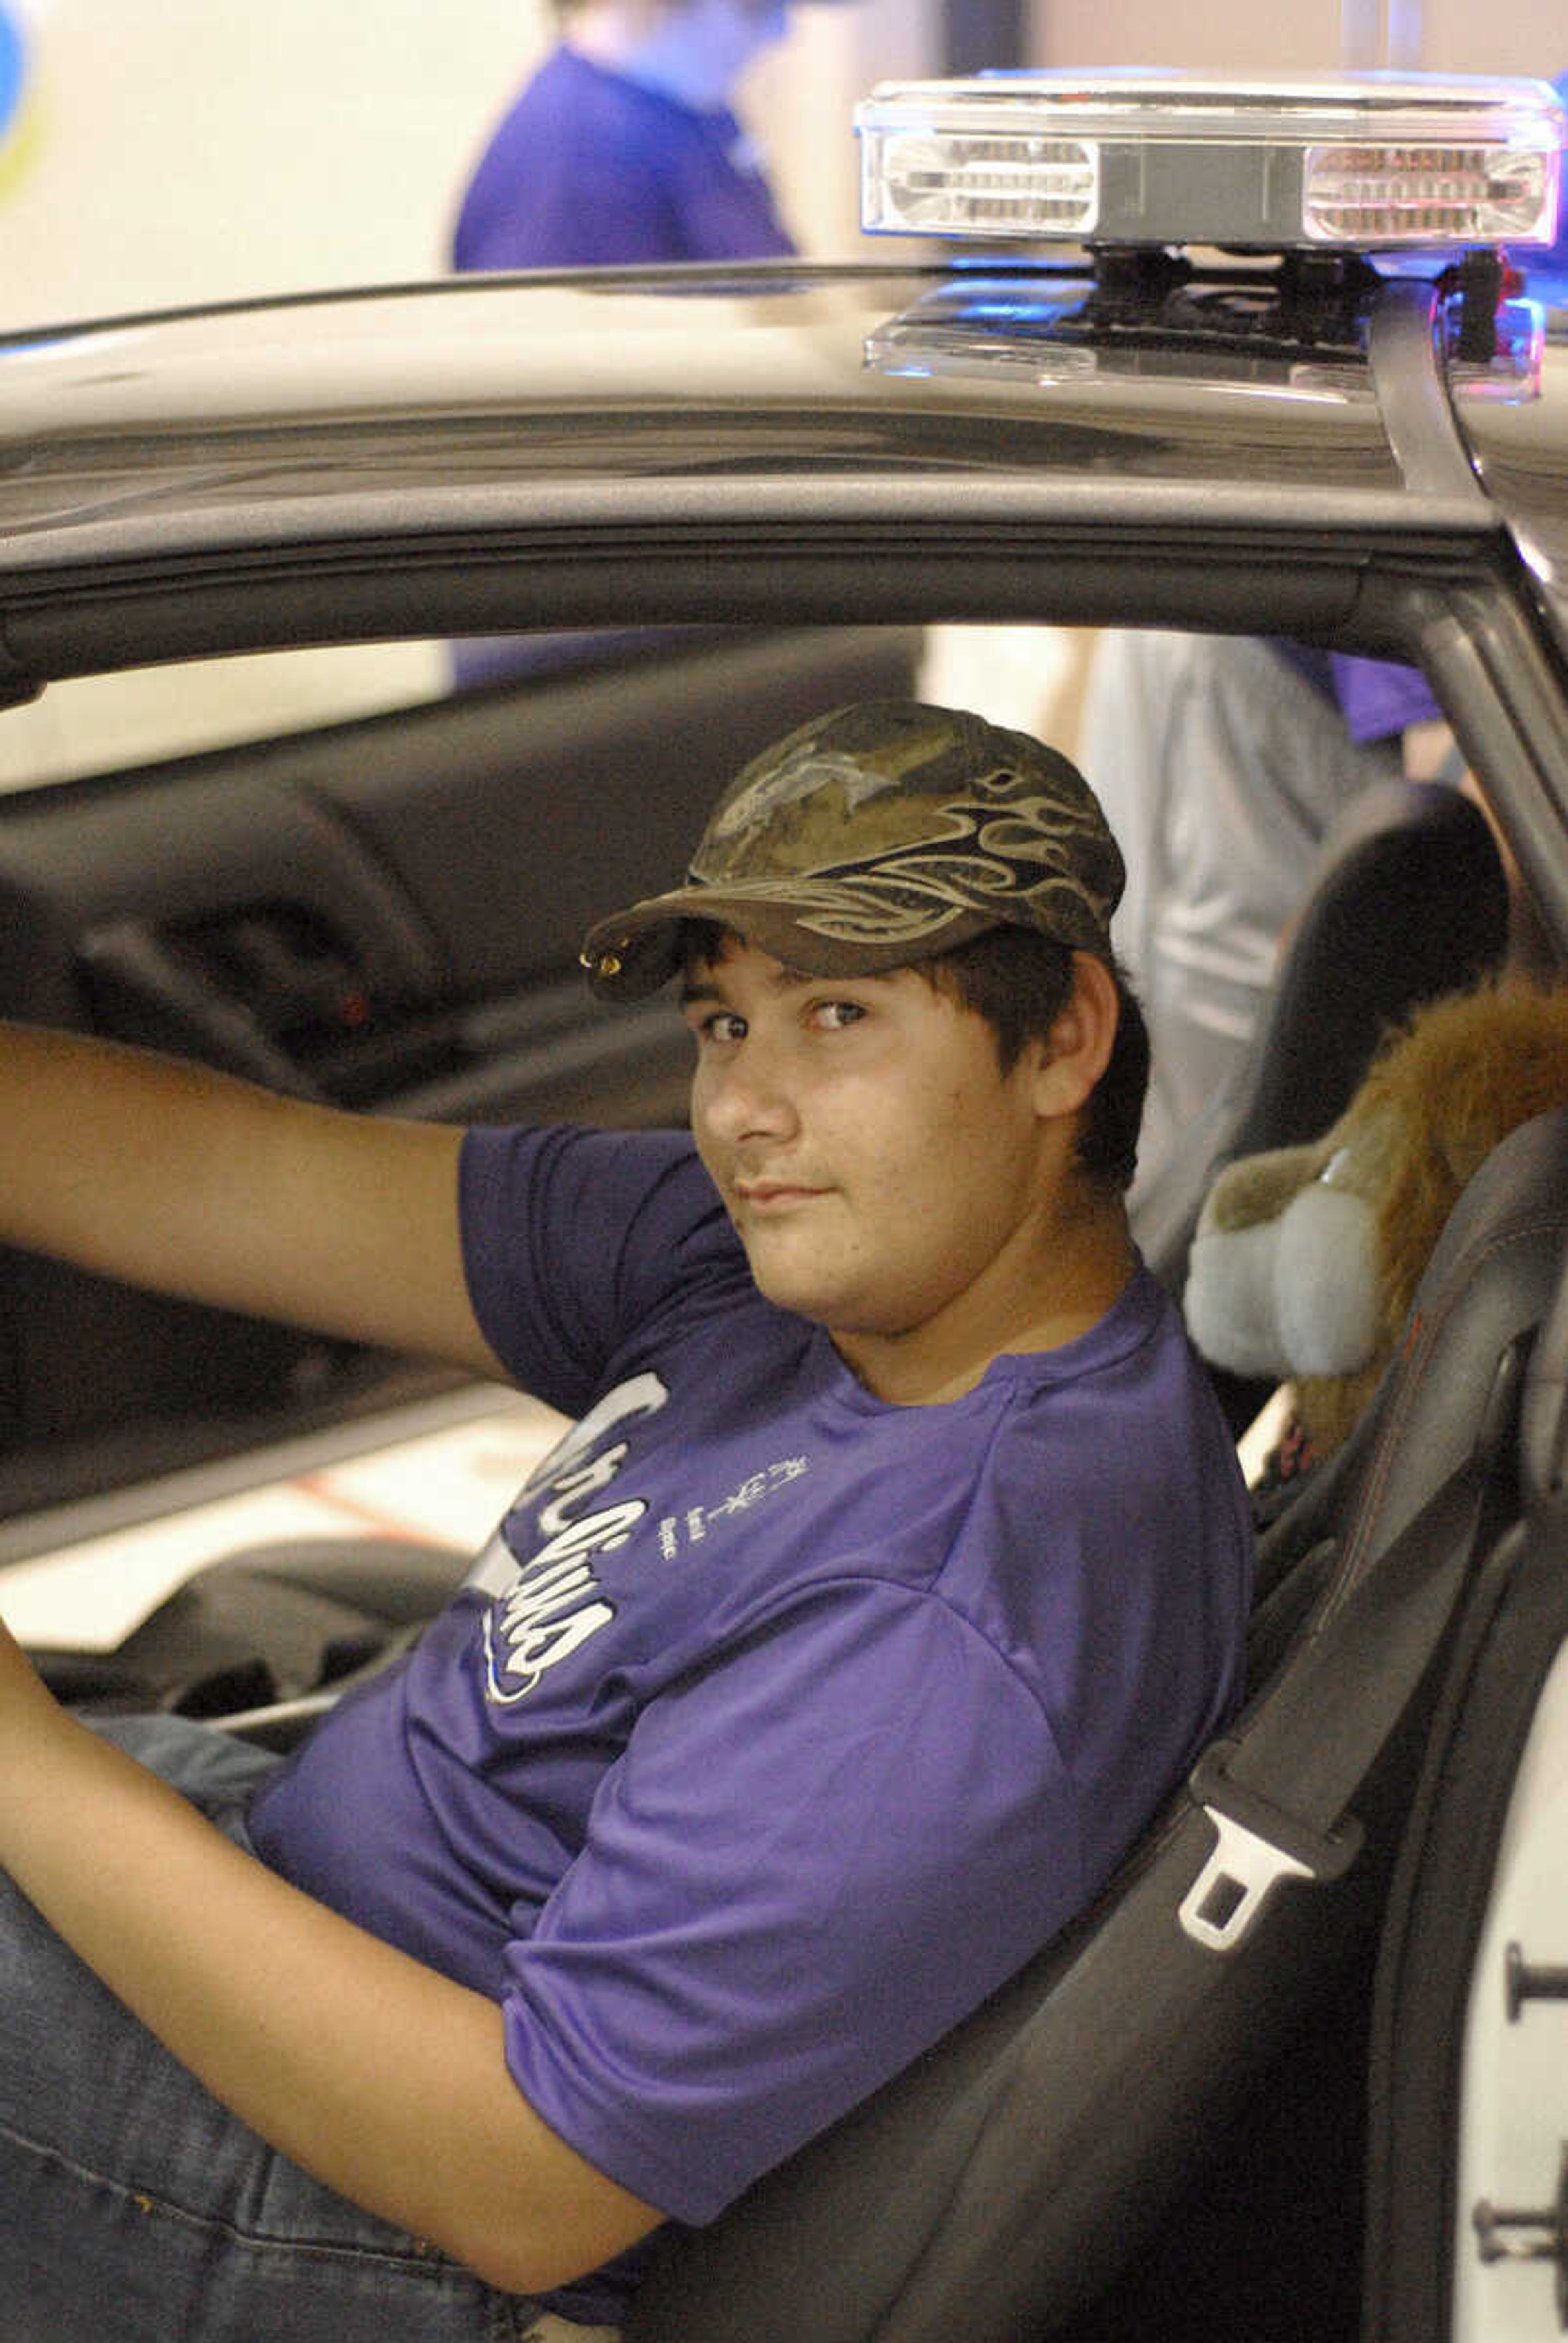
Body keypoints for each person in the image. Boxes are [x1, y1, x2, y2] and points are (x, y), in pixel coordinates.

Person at [0, 701, 1253, 2342]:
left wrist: (21, 1756)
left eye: (840, 1015)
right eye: (727, 1025)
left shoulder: (958, 1607)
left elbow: (524, 2188)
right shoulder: (789, 1278)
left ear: (1064, 1041)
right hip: (284, 1897)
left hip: (362, 2218)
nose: (748, 1107)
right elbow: (239, 1178)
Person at [448, 0, 846, 688]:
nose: (782, 32)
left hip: (696, 590)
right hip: (607, 635)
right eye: (759, 9)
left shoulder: (688, 116)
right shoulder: (571, 157)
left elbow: (782, 309)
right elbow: (564, 460)